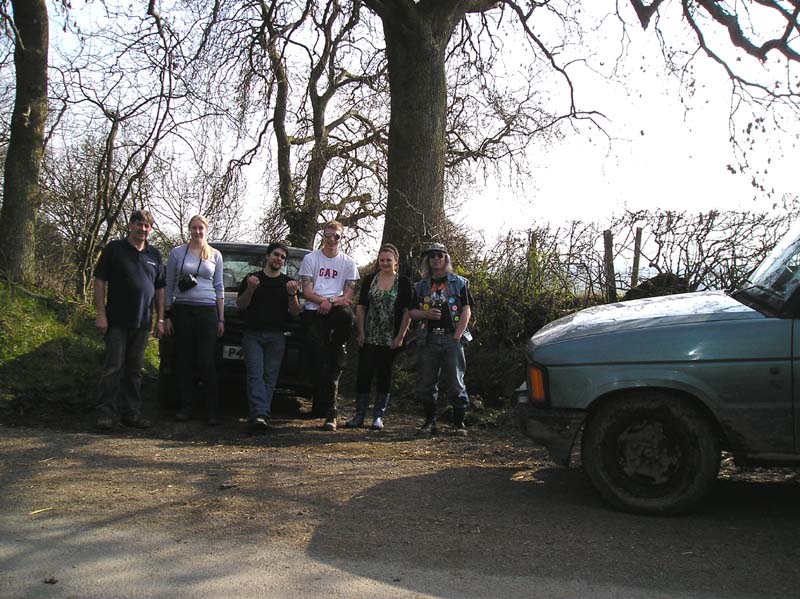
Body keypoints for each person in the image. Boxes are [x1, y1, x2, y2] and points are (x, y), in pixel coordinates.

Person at [93, 209, 165, 430]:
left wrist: (160, 319)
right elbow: (99, 281)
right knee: (113, 368)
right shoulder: (115, 249)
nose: (143, 229)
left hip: (142, 323)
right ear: (131, 225)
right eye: (139, 224)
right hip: (116, 321)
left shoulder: (154, 255)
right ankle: (105, 414)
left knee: (134, 370)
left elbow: (160, 289)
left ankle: (131, 414)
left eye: (147, 226)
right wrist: (101, 314)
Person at [164, 214, 225, 425]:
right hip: (182, 310)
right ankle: (185, 407)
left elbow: (219, 287)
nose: (197, 231)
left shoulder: (215, 255)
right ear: (189, 229)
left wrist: (221, 319)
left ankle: (212, 411)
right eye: (194, 228)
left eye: (201, 228)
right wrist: (167, 315)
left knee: (206, 361)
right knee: (185, 360)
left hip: (207, 311)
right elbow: (169, 284)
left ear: (206, 230)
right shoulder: (176, 253)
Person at [298, 220, 359, 431]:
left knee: (347, 318)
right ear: (322, 236)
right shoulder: (310, 259)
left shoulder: (348, 263)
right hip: (314, 312)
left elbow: (348, 296)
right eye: (328, 235)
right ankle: (320, 406)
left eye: (336, 236)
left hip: (335, 312)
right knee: (320, 361)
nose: (332, 239)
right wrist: (322, 301)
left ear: (342, 238)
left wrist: (330, 301)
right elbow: (306, 291)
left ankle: (331, 415)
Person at [344, 243, 412, 430]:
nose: (384, 263)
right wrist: (361, 332)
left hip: (390, 338)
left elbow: (407, 312)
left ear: (396, 262)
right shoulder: (369, 280)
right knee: (364, 374)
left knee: (384, 375)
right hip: (369, 336)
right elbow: (361, 307)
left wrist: (400, 337)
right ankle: (359, 415)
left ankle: (378, 417)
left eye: (388, 260)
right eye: (382, 260)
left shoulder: (404, 282)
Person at [409, 242, 474, 436]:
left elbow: (466, 309)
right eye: (432, 256)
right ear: (427, 261)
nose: (436, 259)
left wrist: (457, 334)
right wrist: (425, 315)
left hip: (451, 339)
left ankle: (458, 423)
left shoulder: (460, 283)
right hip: (427, 339)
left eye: (440, 255)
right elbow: (411, 312)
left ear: (446, 258)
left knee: (456, 381)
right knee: (427, 382)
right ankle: (430, 422)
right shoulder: (419, 286)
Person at [236, 242, 301, 433]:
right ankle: (261, 414)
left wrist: (292, 295)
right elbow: (240, 306)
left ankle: (260, 415)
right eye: (276, 255)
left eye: (282, 257)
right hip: (252, 334)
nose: (278, 259)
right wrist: (250, 290)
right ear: (267, 256)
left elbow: (295, 312)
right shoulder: (252, 279)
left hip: (277, 336)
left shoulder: (288, 283)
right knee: (255, 374)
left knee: (270, 377)